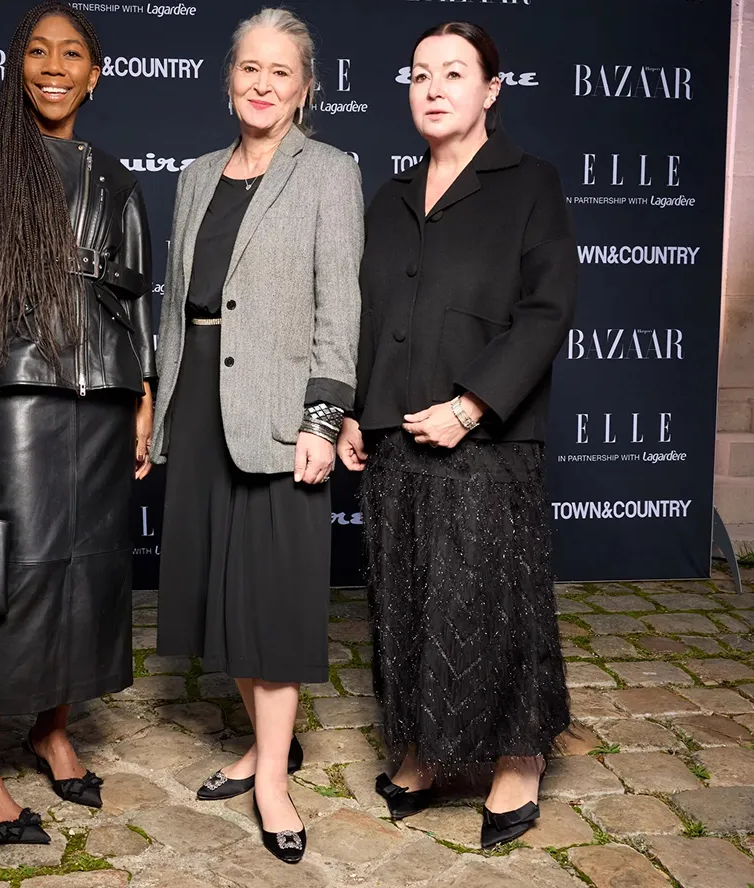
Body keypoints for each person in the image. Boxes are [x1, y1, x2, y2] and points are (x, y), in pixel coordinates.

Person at [0, 2, 155, 846]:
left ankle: (53, 729)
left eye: (73, 54)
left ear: (95, 75)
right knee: (12, 571)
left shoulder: (115, 175)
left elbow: (134, 299)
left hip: (104, 394)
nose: (54, 65)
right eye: (37, 51)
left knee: (87, 571)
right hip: (15, 388)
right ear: (17, 67)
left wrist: (144, 394)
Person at [338, 21, 575, 850]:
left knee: (492, 599)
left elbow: (548, 312)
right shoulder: (391, 196)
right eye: (421, 75)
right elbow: (366, 315)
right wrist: (355, 413)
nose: (433, 88)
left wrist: (472, 406)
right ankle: (426, 751)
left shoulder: (530, 183)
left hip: (487, 437)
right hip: (396, 433)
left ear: (490, 90)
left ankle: (517, 757)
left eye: (454, 73)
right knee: (405, 596)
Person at [151, 7, 363, 865]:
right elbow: (175, 306)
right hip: (200, 403)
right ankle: (261, 744)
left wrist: (322, 417)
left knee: (271, 603)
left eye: (281, 71)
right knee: (220, 594)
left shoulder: (329, 171)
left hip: (282, 412)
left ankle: (273, 779)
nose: (263, 84)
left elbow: (338, 304)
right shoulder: (198, 175)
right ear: (228, 79)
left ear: (306, 87)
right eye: (250, 69)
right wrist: (159, 410)